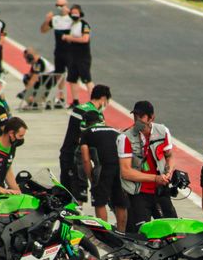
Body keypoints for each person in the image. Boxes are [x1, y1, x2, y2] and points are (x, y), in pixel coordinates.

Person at [118, 100, 175, 228]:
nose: (137, 120)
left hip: (160, 191)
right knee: (140, 234)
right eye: (135, 116)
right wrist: (155, 178)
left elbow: (169, 155)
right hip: (139, 193)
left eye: (141, 116)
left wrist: (169, 172)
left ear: (151, 117)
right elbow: (126, 172)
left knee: (172, 231)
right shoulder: (125, 137)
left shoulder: (163, 131)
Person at [77, 87, 127, 229]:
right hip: (121, 168)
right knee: (120, 202)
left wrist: (91, 177)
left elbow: (86, 159)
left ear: (87, 123)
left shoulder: (87, 133)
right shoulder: (114, 130)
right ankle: (122, 233)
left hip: (103, 168)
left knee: (100, 201)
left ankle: (105, 232)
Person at [58, 86, 104, 202]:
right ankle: (75, 219)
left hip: (66, 154)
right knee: (77, 197)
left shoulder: (78, 108)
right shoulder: (95, 115)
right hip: (77, 159)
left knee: (66, 195)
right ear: (103, 98)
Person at [39, 0, 72, 107]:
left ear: (66, 5)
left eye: (61, 5)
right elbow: (43, 30)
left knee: (72, 75)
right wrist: (47, 20)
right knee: (59, 74)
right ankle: (61, 98)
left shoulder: (72, 18)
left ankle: (74, 100)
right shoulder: (55, 19)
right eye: (57, 5)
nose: (59, 8)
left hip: (71, 51)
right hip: (59, 51)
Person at [62, 4, 92, 106]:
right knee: (72, 79)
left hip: (83, 56)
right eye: (73, 13)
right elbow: (64, 12)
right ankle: (75, 101)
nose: (74, 15)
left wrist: (69, 38)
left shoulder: (84, 25)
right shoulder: (70, 24)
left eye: (76, 13)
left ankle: (94, 101)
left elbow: (85, 39)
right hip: (72, 56)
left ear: (80, 14)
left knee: (87, 79)